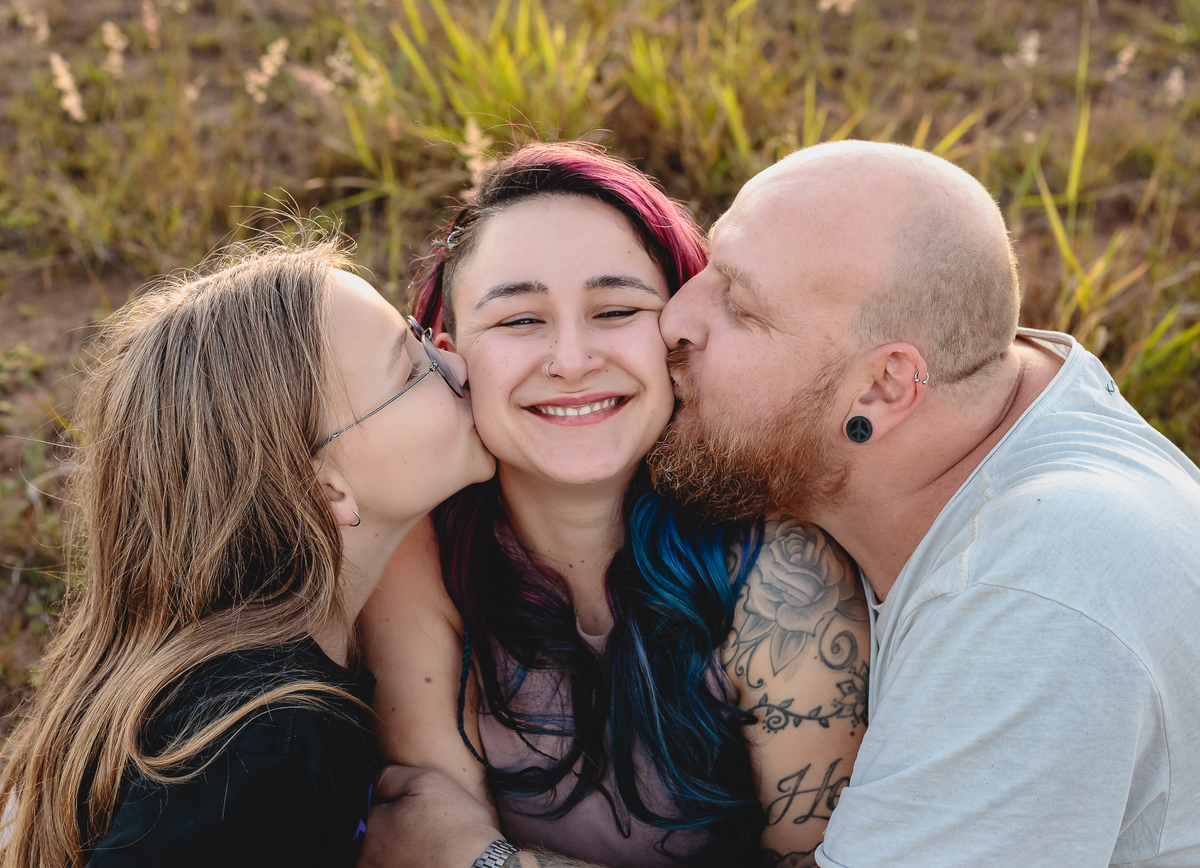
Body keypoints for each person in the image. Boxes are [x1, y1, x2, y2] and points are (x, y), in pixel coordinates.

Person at [645, 140, 1200, 866]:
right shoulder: (993, 408)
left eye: (740, 307)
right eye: (711, 264)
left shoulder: (1030, 594)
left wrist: (498, 856)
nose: (674, 318)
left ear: (883, 388)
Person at [357, 144, 869, 868]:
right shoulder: (420, 552)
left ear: (682, 333)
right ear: (449, 355)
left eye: (617, 310)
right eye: (519, 320)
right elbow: (425, 841)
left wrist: (497, 863)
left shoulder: (780, 571)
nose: (572, 360)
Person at [0, 237, 494, 867]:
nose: (456, 365)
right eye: (411, 369)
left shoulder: (227, 686)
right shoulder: (260, 747)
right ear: (326, 489)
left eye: (420, 335)